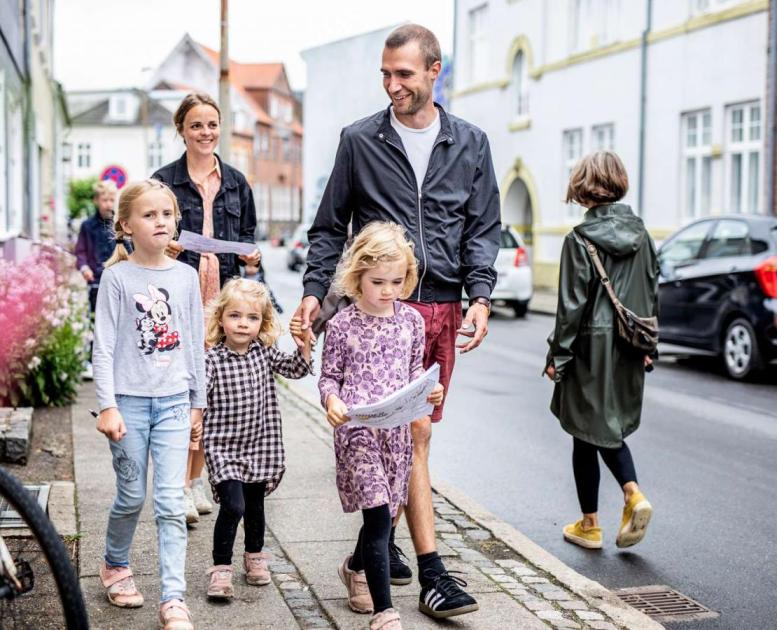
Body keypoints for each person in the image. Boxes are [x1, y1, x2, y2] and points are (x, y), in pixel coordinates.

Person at [293, 24, 500, 619]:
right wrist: (314, 293)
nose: (392, 85)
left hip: (439, 308)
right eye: (385, 74)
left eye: (404, 74)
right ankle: (431, 570)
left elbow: (482, 228)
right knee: (414, 436)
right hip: (383, 305)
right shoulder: (360, 140)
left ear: (435, 71)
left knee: (415, 435)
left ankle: (369, 556)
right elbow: (330, 227)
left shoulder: (471, 143)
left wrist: (480, 297)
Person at [313, 222, 444, 630]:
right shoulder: (342, 324)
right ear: (357, 277)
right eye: (378, 281)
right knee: (376, 514)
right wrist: (332, 401)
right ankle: (385, 612)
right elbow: (329, 377)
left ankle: (355, 567)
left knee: (385, 515)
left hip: (396, 433)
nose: (388, 289)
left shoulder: (410, 322)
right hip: (357, 432)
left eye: (397, 280)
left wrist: (430, 393)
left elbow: (414, 373)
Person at [92, 179, 205, 630]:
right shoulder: (117, 278)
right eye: (149, 215)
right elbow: (102, 348)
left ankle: (173, 598)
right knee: (131, 496)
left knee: (171, 502)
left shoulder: (186, 276)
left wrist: (199, 401)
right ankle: (114, 564)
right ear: (126, 226)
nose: (160, 221)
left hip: (176, 402)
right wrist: (107, 406)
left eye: (166, 214)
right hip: (129, 406)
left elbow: (195, 343)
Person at [152, 92, 262, 524]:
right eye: (196, 125)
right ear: (182, 129)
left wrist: (254, 259)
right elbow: (140, 236)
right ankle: (177, 483)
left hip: (225, 295)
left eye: (212, 124)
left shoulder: (236, 181)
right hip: (179, 292)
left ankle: (194, 480)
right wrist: (165, 243)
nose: (205, 132)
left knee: (211, 394)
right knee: (181, 391)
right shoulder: (164, 181)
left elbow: (251, 236)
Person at [544, 151, 658, 551]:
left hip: (590, 348)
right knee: (595, 428)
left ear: (582, 188)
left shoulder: (579, 239)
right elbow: (650, 291)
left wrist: (557, 357)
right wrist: (648, 346)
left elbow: (570, 307)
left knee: (588, 427)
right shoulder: (643, 235)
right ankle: (590, 521)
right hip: (630, 344)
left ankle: (627, 497)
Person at [202, 278, 311, 598]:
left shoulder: (264, 353)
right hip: (223, 447)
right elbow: (198, 396)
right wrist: (193, 419)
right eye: (235, 315)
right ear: (221, 318)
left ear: (262, 323)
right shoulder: (212, 359)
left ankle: (254, 557)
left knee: (255, 506)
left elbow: (295, 369)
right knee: (233, 506)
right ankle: (221, 568)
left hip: (259, 445)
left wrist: (303, 344)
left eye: (252, 318)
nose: (243, 324)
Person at [75, 179, 119, 379]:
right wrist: (84, 268)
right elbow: (80, 252)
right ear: (96, 201)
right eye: (104, 200)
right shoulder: (87, 226)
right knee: (96, 322)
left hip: (116, 280)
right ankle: (94, 362)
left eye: (112, 200)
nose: (108, 204)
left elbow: (128, 250)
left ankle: (117, 361)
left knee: (119, 321)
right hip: (95, 281)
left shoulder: (120, 224)